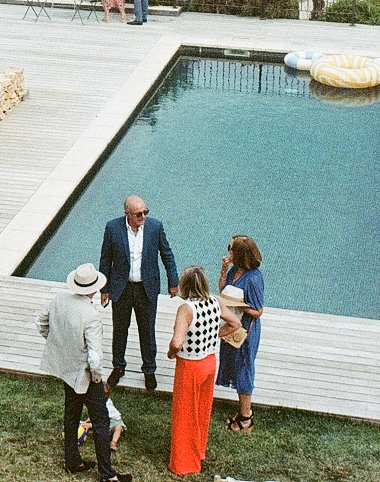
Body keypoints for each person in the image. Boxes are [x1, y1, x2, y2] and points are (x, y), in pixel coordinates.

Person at [35, 263, 130, 482]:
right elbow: (95, 357)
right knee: (101, 420)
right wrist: (97, 378)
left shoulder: (59, 300)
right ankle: (108, 475)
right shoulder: (91, 315)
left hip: (66, 368)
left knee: (71, 413)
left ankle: (73, 460)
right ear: (94, 288)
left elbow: (40, 323)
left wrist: (60, 344)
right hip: (85, 375)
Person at [167, 266, 241, 476]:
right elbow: (235, 322)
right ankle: (198, 451)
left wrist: (171, 353)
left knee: (184, 414)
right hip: (209, 362)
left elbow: (177, 341)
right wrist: (213, 335)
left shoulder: (186, 309)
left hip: (190, 366)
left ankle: (182, 463)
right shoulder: (216, 301)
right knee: (201, 412)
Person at [99, 194, 178, 390]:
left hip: (146, 288)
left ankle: (149, 369)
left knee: (147, 331)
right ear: (127, 214)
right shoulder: (112, 228)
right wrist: (104, 289)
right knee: (119, 330)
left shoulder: (155, 227)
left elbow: (167, 254)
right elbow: (105, 259)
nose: (143, 216)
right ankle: (118, 367)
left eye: (145, 212)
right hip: (122, 288)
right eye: (138, 214)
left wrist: (173, 281)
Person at [216, 235, 265, 434]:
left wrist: (239, 307)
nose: (229, 252)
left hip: (245, 331)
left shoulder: (253, 279)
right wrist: (223, 270)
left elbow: (258, 310)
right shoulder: (235, 271)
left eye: (231, 248)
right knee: (235, 366)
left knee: (244, 368)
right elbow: (223, 289)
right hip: (231, 326)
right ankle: (243, 411)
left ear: (241, 253)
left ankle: (246, 417)